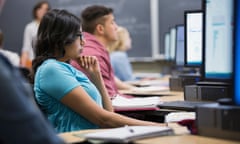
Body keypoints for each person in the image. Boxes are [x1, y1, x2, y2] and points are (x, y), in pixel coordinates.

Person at [31, 9, 165, 133]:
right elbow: (103, 119)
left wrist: (96, 76)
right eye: (79, 36)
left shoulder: (67, 68)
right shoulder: (51, 70)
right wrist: (160, 127)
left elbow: (108, 112)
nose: (83, 43)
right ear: (61, 39)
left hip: (97, 135)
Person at [70, 5, 135, 99]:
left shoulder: (95, 49)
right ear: (100, 29)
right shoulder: (93, 55)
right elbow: (110, 99)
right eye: (112, 23)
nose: (116, 27)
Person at [20, 1, 50, 69]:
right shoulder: (30, 27)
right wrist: (23, 67)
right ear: (36, 10)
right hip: (33, 62)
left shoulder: (50, 27)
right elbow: (26, 47)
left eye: (46, 9)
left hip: (48, 62)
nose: (43, 11)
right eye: (40, 9)